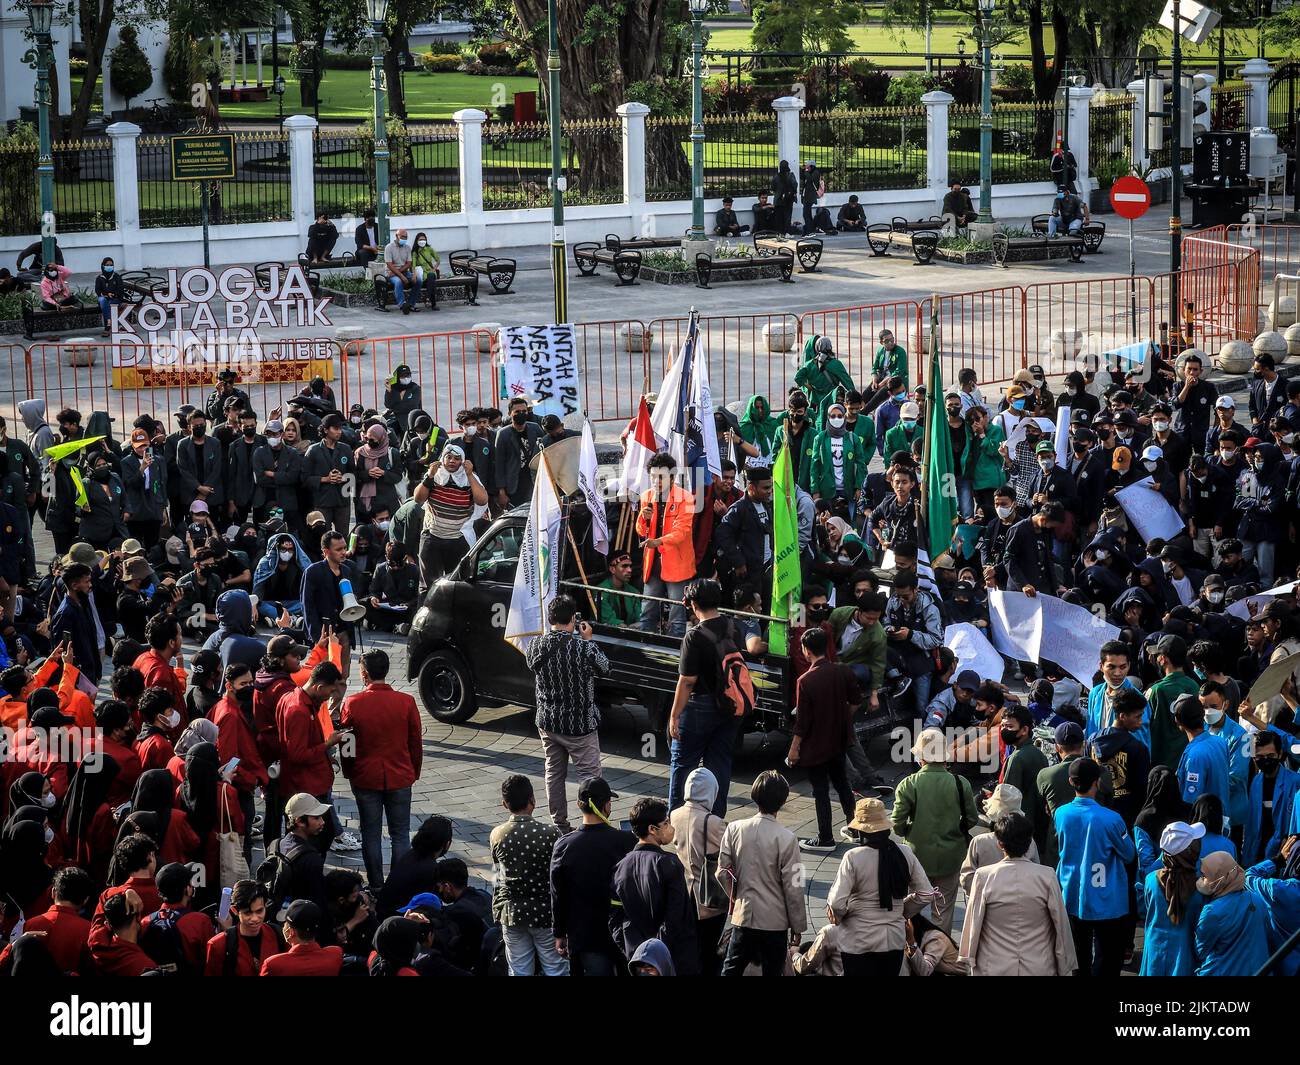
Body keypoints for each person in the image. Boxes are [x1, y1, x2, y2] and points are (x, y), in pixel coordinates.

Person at [338, 650, 422, 891]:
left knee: (371, 834)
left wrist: (349, 771)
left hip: (366, 778)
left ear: (364, 674)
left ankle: (375, 884)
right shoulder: (406, 702)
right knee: (401, 834)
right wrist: (413, 771)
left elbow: (347, 745)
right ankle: (398, 884)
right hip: (400, 775)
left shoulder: (353, 703)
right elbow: (415, 742)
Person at [526, 595, 610, 834]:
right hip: (579, 724)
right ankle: (593, 823)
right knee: (590, 776)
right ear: (573, 618)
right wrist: (589, 640)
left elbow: (532, 665)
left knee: (553, 773)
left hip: (548, 721)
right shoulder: (583, 648)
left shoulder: (535, 646)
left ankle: (560, 825)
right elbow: (605, 666)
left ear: (550, 618)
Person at [958, 812, 1076, 976]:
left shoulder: (983, 876)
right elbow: (1061, 924)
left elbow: (974, 922)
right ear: (1029, 843)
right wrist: (1064, 963)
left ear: (1000, 844)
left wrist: (968, 957)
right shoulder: (1047, 875)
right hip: (1039, 964)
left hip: (993, 964)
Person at [827, 797, 933, 976]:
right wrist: (901, 910)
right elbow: (926, 894)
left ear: (861, 831)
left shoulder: (853, 857)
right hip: (892, 940)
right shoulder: (904, 853)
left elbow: (836, 903)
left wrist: (839, 917)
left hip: (857, 941)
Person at [715, 771, 805, 976]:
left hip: (743, 916)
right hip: (775, 921)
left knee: (731, 969)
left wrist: (736, 897)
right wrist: (797, 925)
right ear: (782, 801)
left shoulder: (735, 828)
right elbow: (795, 887)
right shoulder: (787, 838)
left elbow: (722, 872)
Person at [891, 728, 977, 933]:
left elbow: (897, 823)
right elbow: (972, 818)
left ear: (920, 757)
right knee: (943, 910)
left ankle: (913, 947)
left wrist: (911, 830)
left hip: (917, 855)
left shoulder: (908, 784)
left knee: (914, 905)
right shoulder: (960, 783)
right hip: (952, 856)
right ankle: (940, 952)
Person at [667, 579, 741, 816]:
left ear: (692, 603)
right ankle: (715, 821)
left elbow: (687, 681)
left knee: (683, 764)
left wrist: (674, 715)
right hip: (729, 704)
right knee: (719, 765)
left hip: (700, 706)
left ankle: (676, 818)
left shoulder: (694, 636)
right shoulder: (732, 626)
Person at [1054, 757, 1135, 976]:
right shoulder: (1111, 819)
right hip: (1106, 898)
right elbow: (1128, 854)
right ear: (1097, 782)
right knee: (1108, 957)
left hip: (1071, 893)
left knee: (1078, 956)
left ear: (1071, 782)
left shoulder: (1060, 813)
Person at [548, 777, 635, 976]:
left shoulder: (564, 845)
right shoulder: (625, 840)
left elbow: (557, 894)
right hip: (623, 932)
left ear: (579, 805)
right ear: (607, 805)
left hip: (585, 935)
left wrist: (559, 933)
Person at [788, 626, 860, 852]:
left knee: (820, 790)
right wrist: (841, 716)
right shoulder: (843, 671)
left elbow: (802, 722)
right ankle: (855, 827)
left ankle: (825, 837)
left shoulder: (806, 680)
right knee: (842, 785)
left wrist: (793, 749)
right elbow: (856, 701)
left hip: (815, 744)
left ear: (806, 650)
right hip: (838, 740)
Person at [610, 796, 698, 975]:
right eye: (665, 823)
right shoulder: (669, 864)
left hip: (636, 959)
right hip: (672, 959)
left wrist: (636, 953)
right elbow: (676, 917)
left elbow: (615, 920)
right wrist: (656, 954)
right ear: (652, 829)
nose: (670, 828)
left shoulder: (620, 868)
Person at [490, 774, 567, 976]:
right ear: (532, 800)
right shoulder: (551, 833)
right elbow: (559, 878)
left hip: (512, 913)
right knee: (555, 968)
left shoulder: (497, 834)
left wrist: (497, 909)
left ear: (504, 804)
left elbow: (497, 874)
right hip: (545, 913)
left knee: (518, 970)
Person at [635, 452, 695, 637]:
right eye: (653, 477)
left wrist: (658, 541)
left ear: (672, 476)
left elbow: (682, 532)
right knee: (647, 611)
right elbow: (640, 530)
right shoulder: (646, 497)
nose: (656, 481)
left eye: (660, 477)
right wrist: (643, 520)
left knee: (677, 615)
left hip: (676, 563)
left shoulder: (686, 498)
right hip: (652, 563)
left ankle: (676, 654)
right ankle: (644, 648)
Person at [413, 445, 487, 590]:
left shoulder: (468, 478)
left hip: (457, 539)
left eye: (457, 458)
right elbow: (418, 498)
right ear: (443, 459)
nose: (452, 461)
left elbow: (482, 500)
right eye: (449, 457)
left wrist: (470, 474)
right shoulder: (435, 475)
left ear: (462, 461)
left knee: (458, 584)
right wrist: (429, 476)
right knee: (427, 585)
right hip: (432, 537)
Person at [1194, 851, 1270, 976]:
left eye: (1204, 876)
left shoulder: (1212, 911)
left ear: (1219, 880)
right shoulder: (1257, 899)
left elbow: (1200, 951)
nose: (1201, 879)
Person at [998, 703, 1050, 853]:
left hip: (1020, 828)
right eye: (1002, 726)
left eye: (1009, 726)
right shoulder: (1038, 754)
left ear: (1025, 730)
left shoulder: (1016, 758)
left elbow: (1008, 798)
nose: (1003, 730)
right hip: (1039, 824)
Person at [204, 879, 283, 976]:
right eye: (247, 913)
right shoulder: (218, 945)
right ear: (234, 910)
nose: (255, 918)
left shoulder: (278, 935)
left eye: (259, 911)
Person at [1172, 693, 1231, 812]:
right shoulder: (1220, 742)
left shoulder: (1195, 755)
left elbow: (1191, 799)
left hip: (1203, 825)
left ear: (1177, 721)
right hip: (1221, 817)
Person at [260, 899, 344, 975]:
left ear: (292, 932)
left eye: (285, 923)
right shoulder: (336, 954)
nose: (283, 927)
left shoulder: (273, 964)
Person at [94, 257, 126, 336]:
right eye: (107, 265)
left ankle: (107, 327)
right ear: (103, 266)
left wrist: (113, 294)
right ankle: (109, 325)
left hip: (115, 298)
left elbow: (120, 290)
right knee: (102, 301)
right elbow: (98, 291)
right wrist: (107, 294)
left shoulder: (117, 277)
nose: (109, 266)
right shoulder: (99, 278)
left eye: (111, 265)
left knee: (108, 304)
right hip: (104, 298)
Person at [773, 159, 798, 234]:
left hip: (778, 200)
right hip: (788, 199)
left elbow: (773, 187)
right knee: (787, 217)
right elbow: (795, 185)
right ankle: (787, 232)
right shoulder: (791, 175)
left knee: (779, 218)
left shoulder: (776, 176)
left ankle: (780, 233)